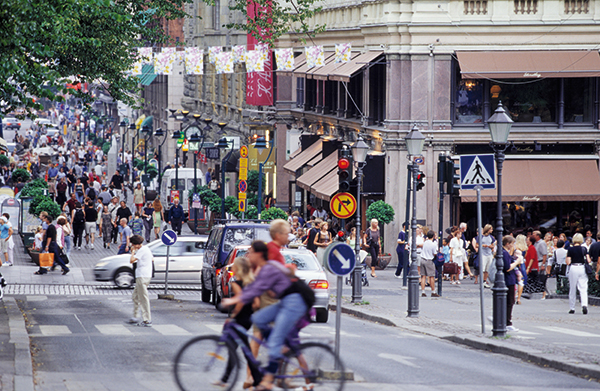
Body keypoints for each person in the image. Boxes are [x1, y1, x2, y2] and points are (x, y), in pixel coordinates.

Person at [221, 241, 309, 391]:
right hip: (285, 301)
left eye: (251, 252)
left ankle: (267, 380)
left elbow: (253, 291)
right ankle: (278, 346)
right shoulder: (261, 270)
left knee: (274, 341)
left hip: (297, 300)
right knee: (258, 319)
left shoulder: (268, 268)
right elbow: (253, 289)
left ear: (259, 254)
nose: (248, 256)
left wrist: (233, 299)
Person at [126, 235, 153, 327]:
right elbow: (152, 259)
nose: (132, 246)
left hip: (142, 276)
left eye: (132, 244)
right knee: (135, 296)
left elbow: (131, 260)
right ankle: (135, 316)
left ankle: (147, 319)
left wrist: (133, 252)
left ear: (136, 244)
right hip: (144, 275)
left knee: (143, 298)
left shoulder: (142, 250)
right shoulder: (146, 249)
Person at [566, 233, 591, 315]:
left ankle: (572, 308)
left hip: (573, 267)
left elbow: (568, 262)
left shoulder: (570, 249)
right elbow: (589, 260)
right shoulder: (584, 249)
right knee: (583, 288)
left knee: (572, 288)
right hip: (582, 268)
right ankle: (584, 305)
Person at [502, 235, 521, 331]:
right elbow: (507, 267)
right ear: (507, 244)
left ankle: (504, 320)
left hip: (509, 279)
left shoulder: (505, 253)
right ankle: (507, 322)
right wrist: (517, 262)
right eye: (512, 243)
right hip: (508, 280)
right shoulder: (504, 253)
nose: (513, 245)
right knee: (510, 301)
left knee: (508, 301)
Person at [420, 231, 440, 297]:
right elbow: (434, 253)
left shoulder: (425, 242)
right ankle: (433, 291)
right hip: (429, 260)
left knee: (423, 276)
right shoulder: (433, 244)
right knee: (431, 276)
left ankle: (423, 291)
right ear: (433, 236)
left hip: (422, 259)